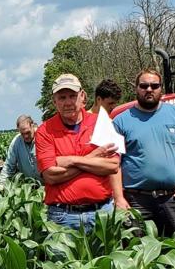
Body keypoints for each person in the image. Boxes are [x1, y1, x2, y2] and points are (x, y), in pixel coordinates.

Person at [112, 69, 175, 239]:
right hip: (137, 201)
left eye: (154, 85)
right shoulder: (120, 121)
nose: (149, 89)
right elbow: (113, 164)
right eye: (144, 86)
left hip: (173, 197)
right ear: (136, 89)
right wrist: (119, 198)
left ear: (161, 88)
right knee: (139, 254)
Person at [35, 73, 123, 231]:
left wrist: (70, 160)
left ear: (83, 96)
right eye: (62, 98)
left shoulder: (102, 123)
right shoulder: (44, 131)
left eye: (72, 96)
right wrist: (94, 157)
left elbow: (112, 166)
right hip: (62, 217)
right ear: (54, 101)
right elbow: (50, 176)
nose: (68, 102)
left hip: (101, 213)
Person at [0, 114, 40, 185]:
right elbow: (8, 166)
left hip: (48, 185)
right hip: (30, 187)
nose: (26, 136)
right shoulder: (16, 142)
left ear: (32, 126)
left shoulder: (43, 137)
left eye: (27, 132)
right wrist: (2, 184)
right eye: (22, 133)